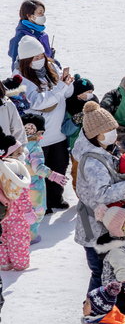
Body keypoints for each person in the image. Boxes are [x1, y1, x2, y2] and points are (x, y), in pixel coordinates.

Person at [70, 102, 125, 290]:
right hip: (96, 228)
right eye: (109, 129)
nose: (114, 132)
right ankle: (94, 311)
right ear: (96, 135)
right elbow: (102, 194)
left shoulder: (98, 150)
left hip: (101, 223)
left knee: (105, 270)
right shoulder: (93, 162)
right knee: (100, 271)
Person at [15, 38, 73, 209]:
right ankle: (41, 204)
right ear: (26, 60)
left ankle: (56, 198)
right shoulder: (20, 78)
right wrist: (61, 87)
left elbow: (67, 93)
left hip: (59, 133)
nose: (40, 59)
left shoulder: (52, 67)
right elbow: (38, 102)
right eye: (35, 57)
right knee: (39, 171)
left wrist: (67, 83)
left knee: (60, 166)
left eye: (41, 55)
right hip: (38, 137)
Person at [0, 153, 34, 272]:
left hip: (4, 217)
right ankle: (20, 264)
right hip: (18, 220)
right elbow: (25, 201)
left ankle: (4, 263)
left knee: (3, 240)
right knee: (18, 242)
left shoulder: (2, 182)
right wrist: (29, 213)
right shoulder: (19, 184)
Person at [8, 0, 53, 68]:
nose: (43, 16)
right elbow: (16, 65)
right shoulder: (22, 37)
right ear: (30, 16)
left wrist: (51, 56)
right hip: (32, 76)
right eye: (40, 13)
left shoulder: (40, 33)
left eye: (43, 13)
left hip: (44, 73)